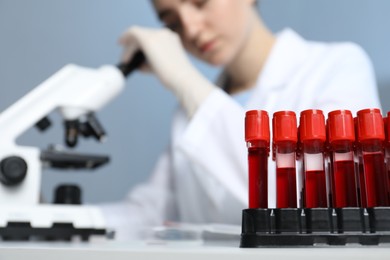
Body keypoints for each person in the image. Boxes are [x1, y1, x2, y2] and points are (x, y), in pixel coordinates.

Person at [100, 0, 381, 240]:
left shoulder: (337, 67)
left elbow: (308, 202)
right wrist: (67, 218)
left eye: (200, 3)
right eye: (172, 22)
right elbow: (152, 211)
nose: (191, 30)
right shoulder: (191, 110)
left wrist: (185, 80)